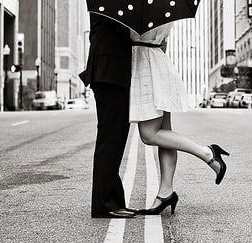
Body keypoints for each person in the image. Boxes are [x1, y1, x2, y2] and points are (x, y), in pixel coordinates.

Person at [130, 22, 229, 215]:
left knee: (149, 134)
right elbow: (164, 43)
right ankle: (165, 193)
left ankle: (207, 153)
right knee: (164, 133)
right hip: (158, 63)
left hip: (145, 66)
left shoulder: (139, 8)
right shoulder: (164, 9)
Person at [80, 14, 137, 219]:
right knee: (111, 137)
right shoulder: (111, 4)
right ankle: (104, 204)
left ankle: (113, 200)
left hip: (113, 72)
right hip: (109, 72)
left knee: (116, 136)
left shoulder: (117, 2)